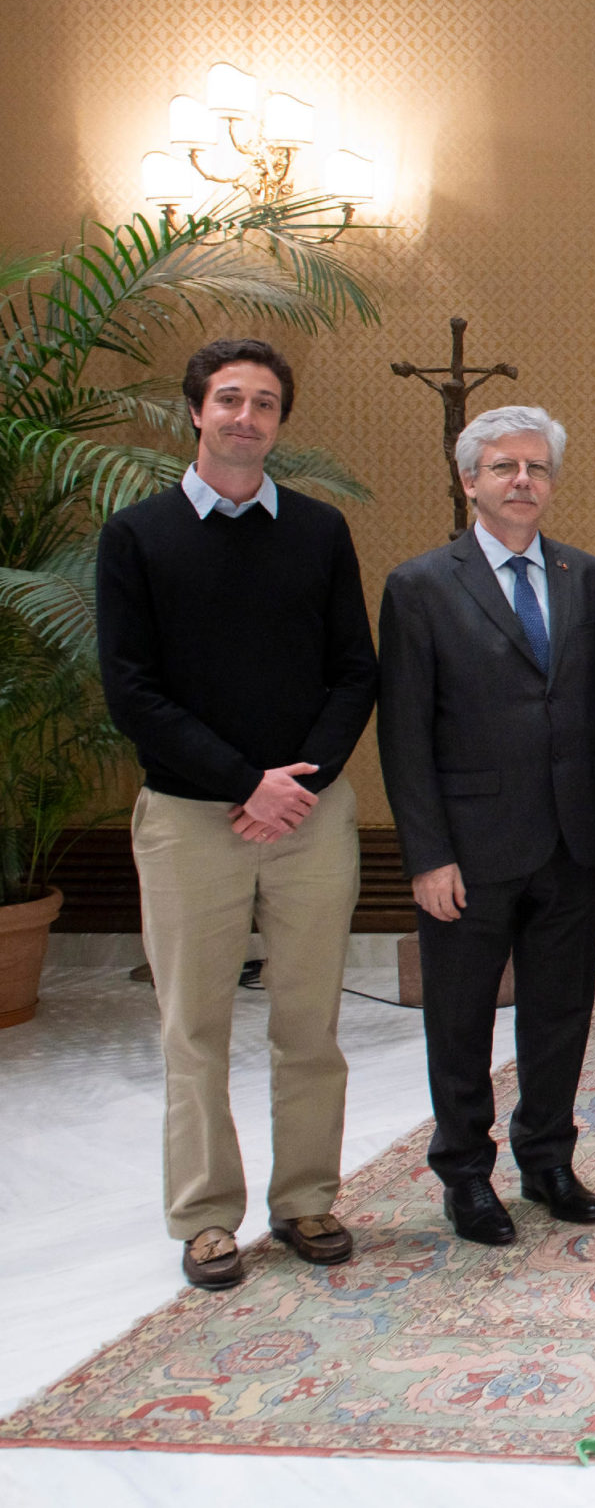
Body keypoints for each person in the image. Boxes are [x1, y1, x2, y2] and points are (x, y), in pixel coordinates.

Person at [96, 339, 377, 1289]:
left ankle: (306, 1199)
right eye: (229, 399)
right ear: (196, 411)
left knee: (310, 1022)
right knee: (195, 1029)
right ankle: (206, 1215)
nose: (246, 416)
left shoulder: (319, 531)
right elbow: (132, 690)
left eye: (263, 402)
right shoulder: (136, 536)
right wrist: (242, 783)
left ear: (279, 421)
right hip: (189, 820)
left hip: (309, 816)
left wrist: (298, 784)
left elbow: (354, 671)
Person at [377, 407, 595, 1246]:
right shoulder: (420, 585)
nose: (523, 480)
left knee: (560, 1012)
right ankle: (466, 1174)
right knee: (461, 1018)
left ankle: (548, 1158)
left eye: (537, 467)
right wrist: (427, 854)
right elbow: (404, 733)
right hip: (468, 849)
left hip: (570, 841)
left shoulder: (587, 575)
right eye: (504, 466)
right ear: (469, 481)